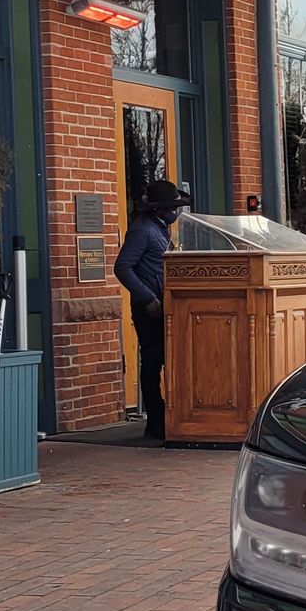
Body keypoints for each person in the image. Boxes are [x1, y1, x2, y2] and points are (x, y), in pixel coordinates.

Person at [114, 179, 191, 440]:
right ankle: (156, 422)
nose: (175, 212)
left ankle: (167, 418)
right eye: (172, 208)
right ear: (159, 209)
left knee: (164, 360)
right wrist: (148, 299)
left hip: (165, 305)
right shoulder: (143, 230)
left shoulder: (159, 228)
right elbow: (122, 267)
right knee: (152, 362)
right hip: (150, 309)